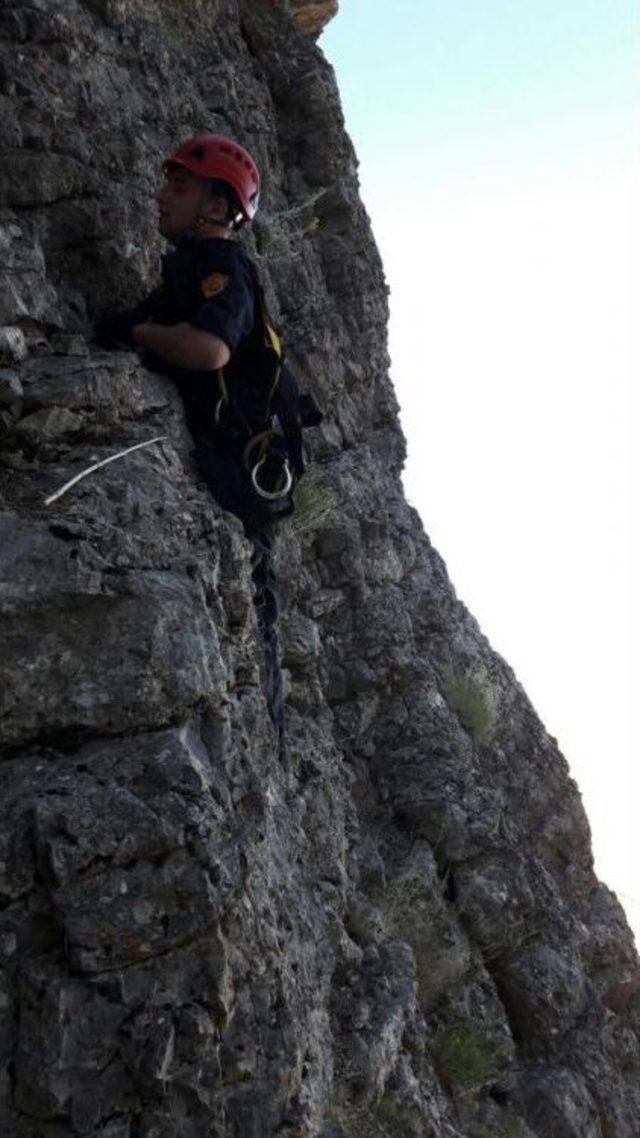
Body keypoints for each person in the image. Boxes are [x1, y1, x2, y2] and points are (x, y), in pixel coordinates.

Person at [95, 132, 301, 756]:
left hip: (242, 471)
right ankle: (273, 736)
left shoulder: (222, 267)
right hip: (236, 463)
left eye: (178, 187)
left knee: (259, 608)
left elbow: (210, 347)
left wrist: (137, 332)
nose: (161, 195)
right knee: (256, 604)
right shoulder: (190, 268)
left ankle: (273, 740)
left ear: (217, 207)